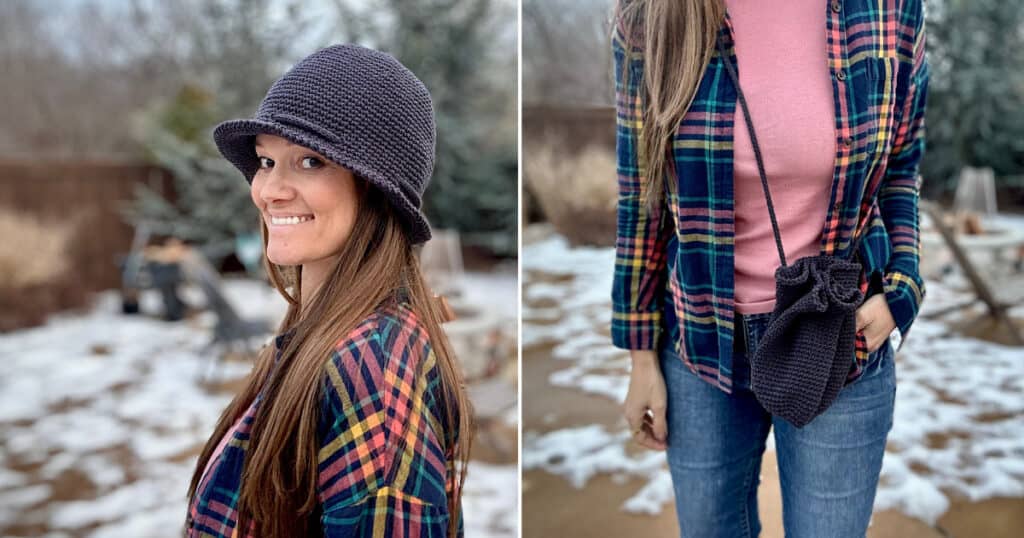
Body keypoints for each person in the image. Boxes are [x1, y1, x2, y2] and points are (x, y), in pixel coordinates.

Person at [611, 0, 927, 536]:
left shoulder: (888, 10)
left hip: (838, 337)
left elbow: (902, 168)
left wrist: (901, 288)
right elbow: (641, 193)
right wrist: (641, 356)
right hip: (702, 345)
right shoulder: (651, 14)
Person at [184, 44, 472, 538]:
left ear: (377, 186)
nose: (269, 189)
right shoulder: (321, 330)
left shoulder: (374, 375)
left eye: (311, 162)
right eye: (266, 161)